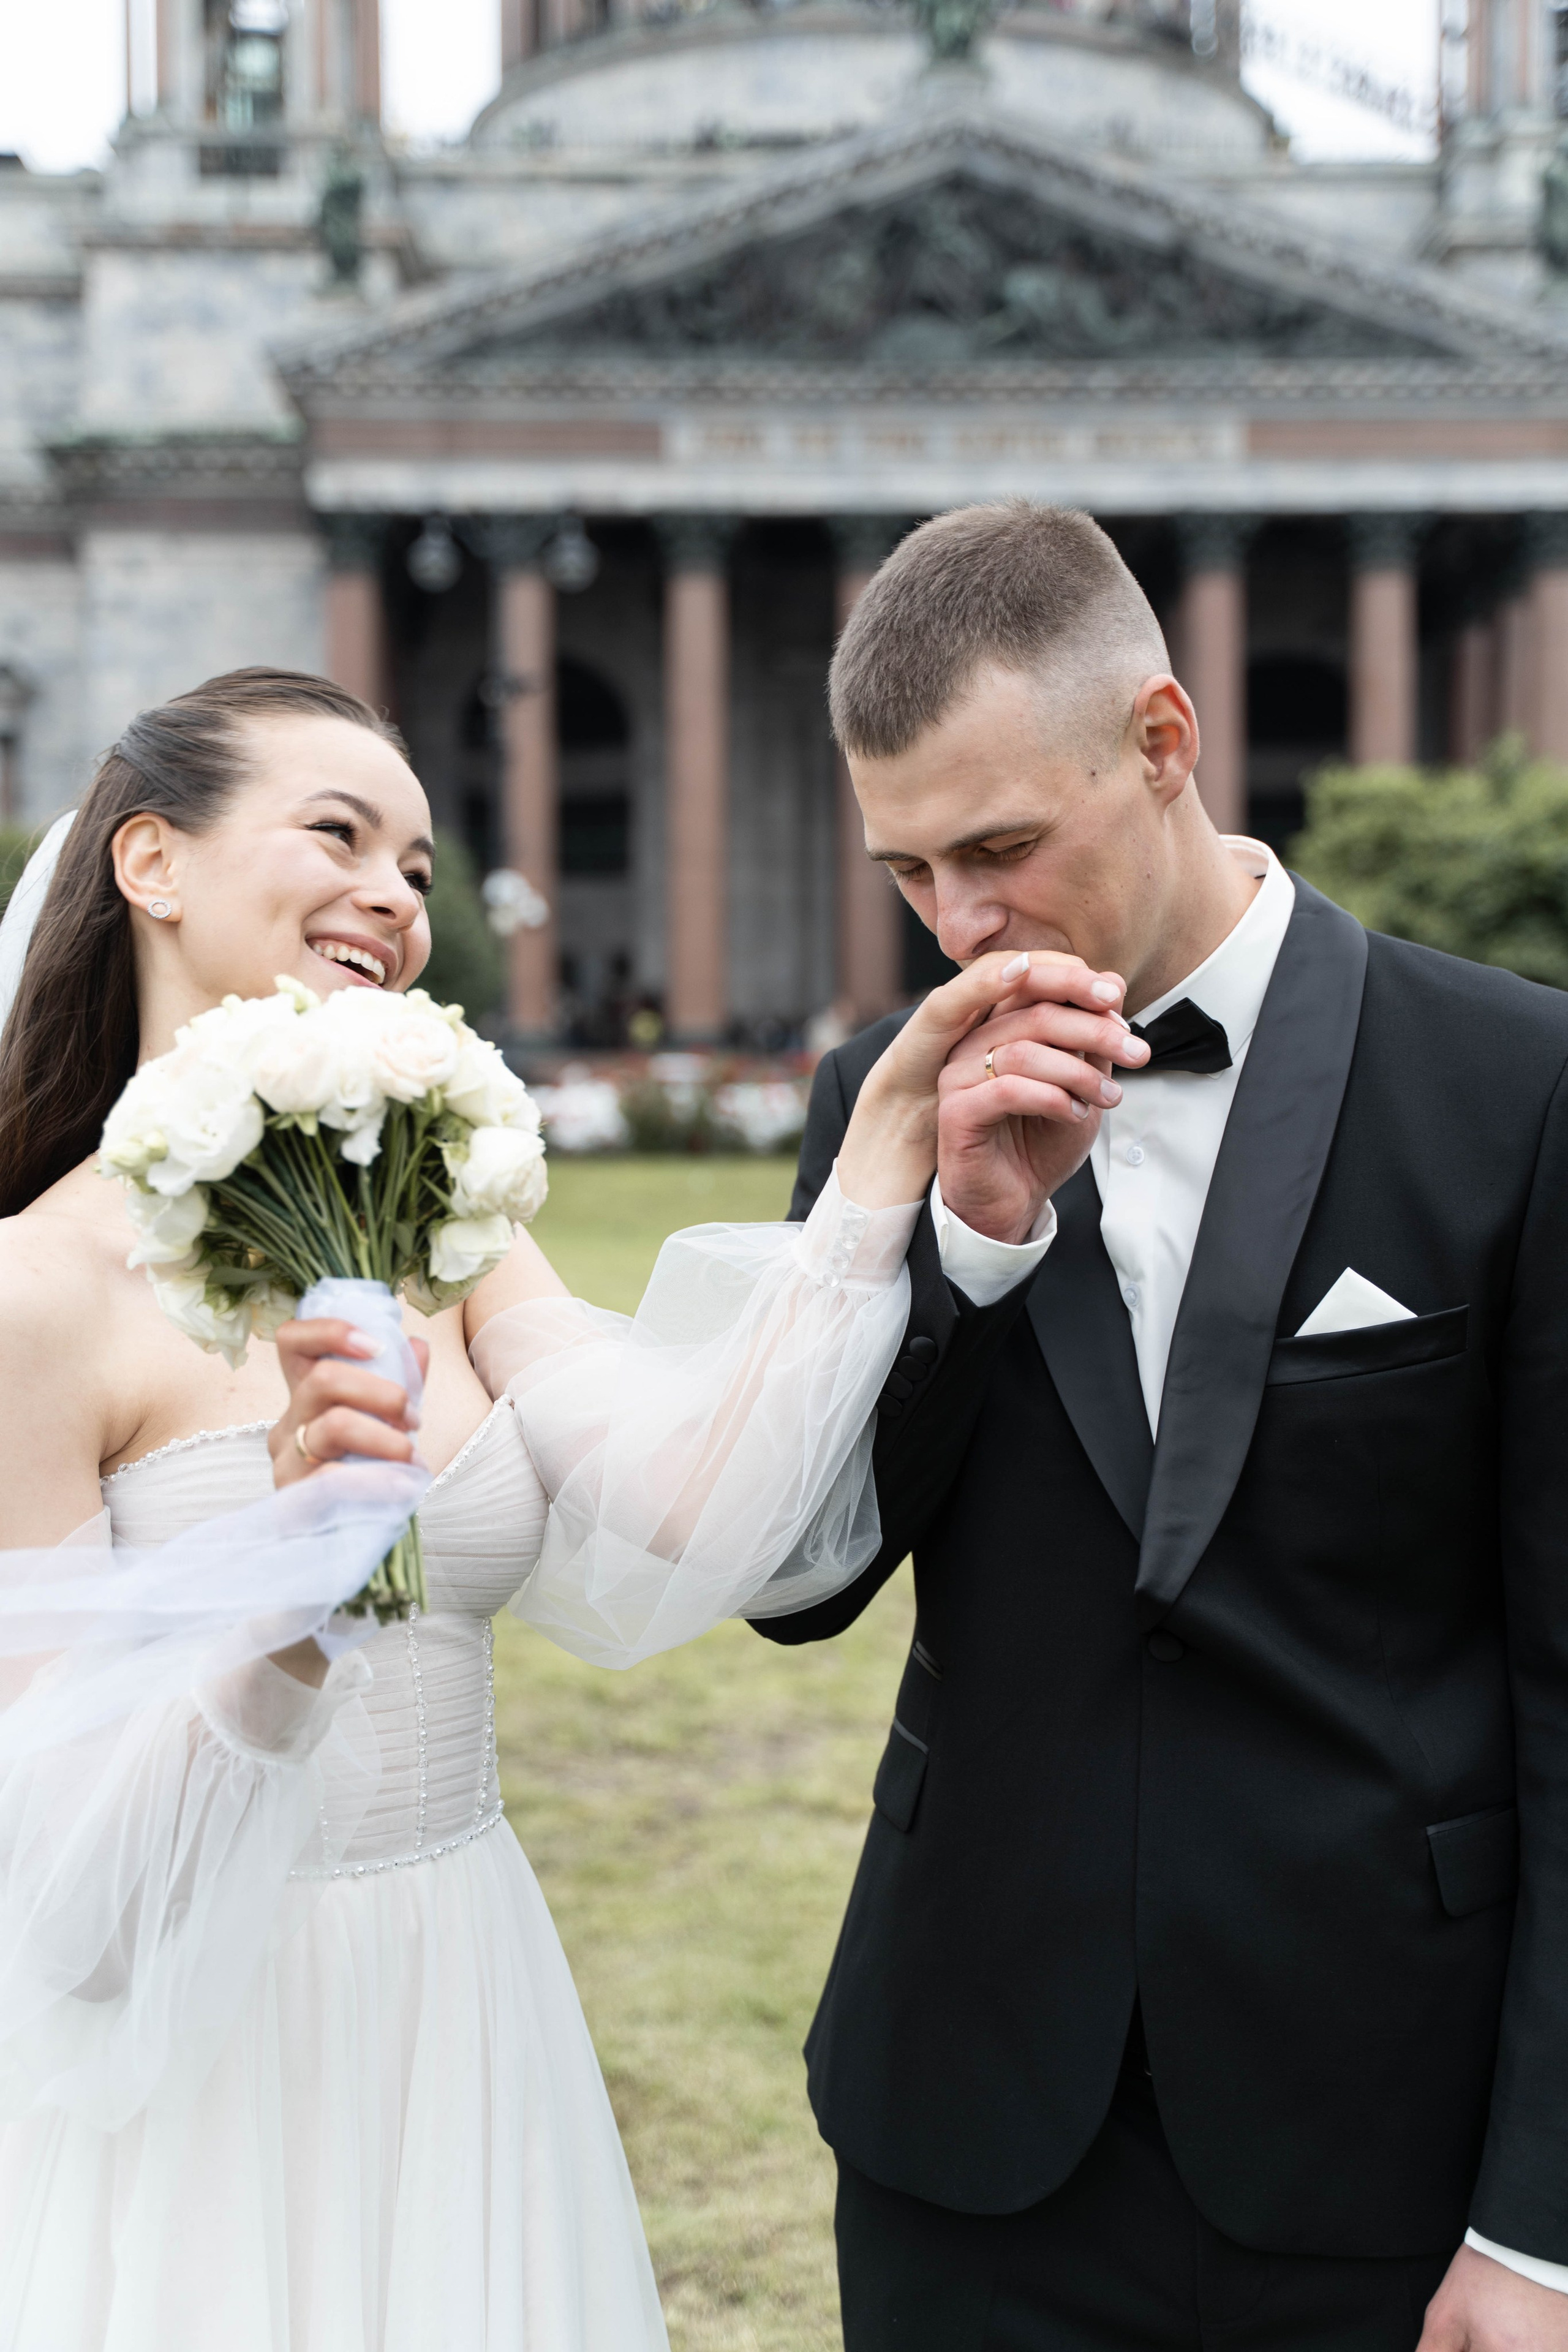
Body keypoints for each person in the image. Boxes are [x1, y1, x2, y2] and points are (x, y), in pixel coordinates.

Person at [0, 665, 1143, 2352]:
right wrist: (288, 1598)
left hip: (463, 1989)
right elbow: (72, 1907)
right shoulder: (33, 1298)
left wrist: (888, 1159)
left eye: (415, 860)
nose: (395, 896)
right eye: (340, 834)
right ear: (151, 864)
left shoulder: (444, 1222)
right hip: (213, 2055)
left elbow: (701, 1496)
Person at [761, 502, 1568, 2352]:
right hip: (967, 2134)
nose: (960, 927)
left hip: (1385, 2138)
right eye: (909, 874)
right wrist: (961, 1246)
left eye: (1001, 849)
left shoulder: (1520, 1088)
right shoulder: (876, 1099)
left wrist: (1543, 2226)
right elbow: (799, 1588)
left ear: (1165, 740)